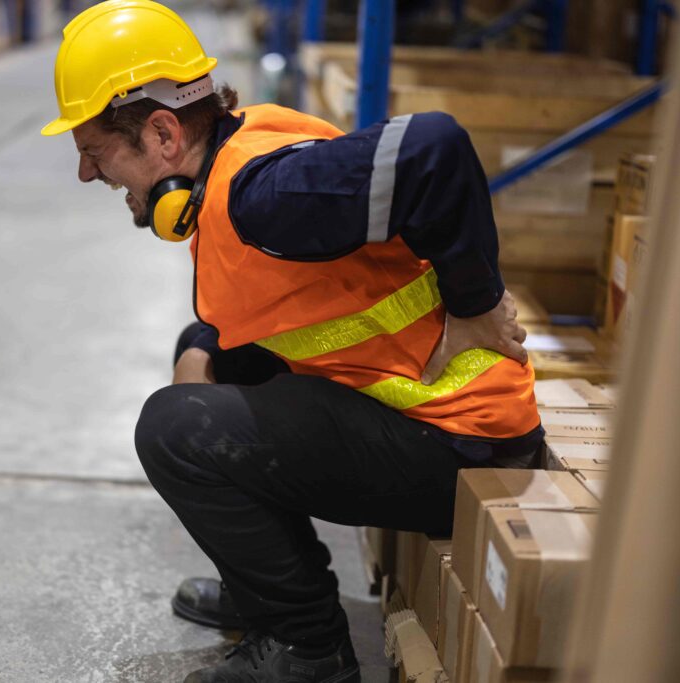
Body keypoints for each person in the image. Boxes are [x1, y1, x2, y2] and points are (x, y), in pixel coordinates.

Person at [41, 2, 542, 681]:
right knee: (205, 357)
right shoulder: (234, 163)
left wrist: (475, 304)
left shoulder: (263, 192)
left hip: (456, 443)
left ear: (161, 133)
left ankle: (307, 645)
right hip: (424, 422)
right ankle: (265, 592)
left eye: (93, 152)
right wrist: (203, 348)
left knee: (173, 427)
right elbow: (269, 301)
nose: (86, 174)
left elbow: (436, 146)